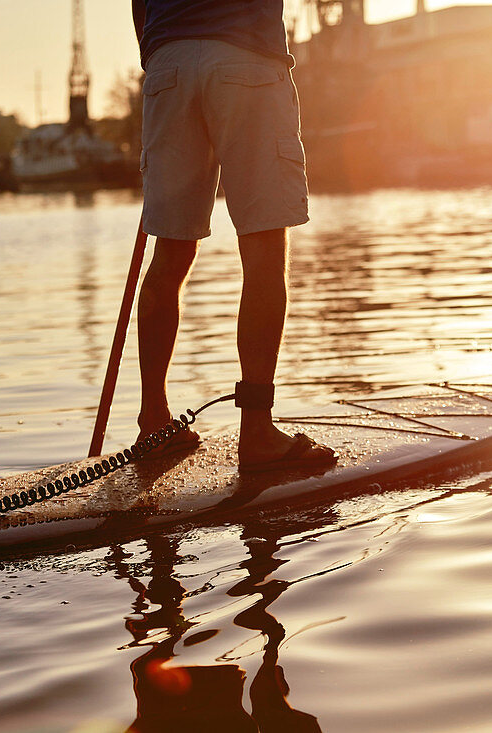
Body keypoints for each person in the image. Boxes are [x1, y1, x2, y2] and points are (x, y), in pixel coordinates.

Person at [130, 0, 336, 473]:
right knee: (264, 247)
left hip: (168, 64)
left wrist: (161, 54)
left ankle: (155, 422)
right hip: (246, 60)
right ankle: (258, 431)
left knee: (171, 252)